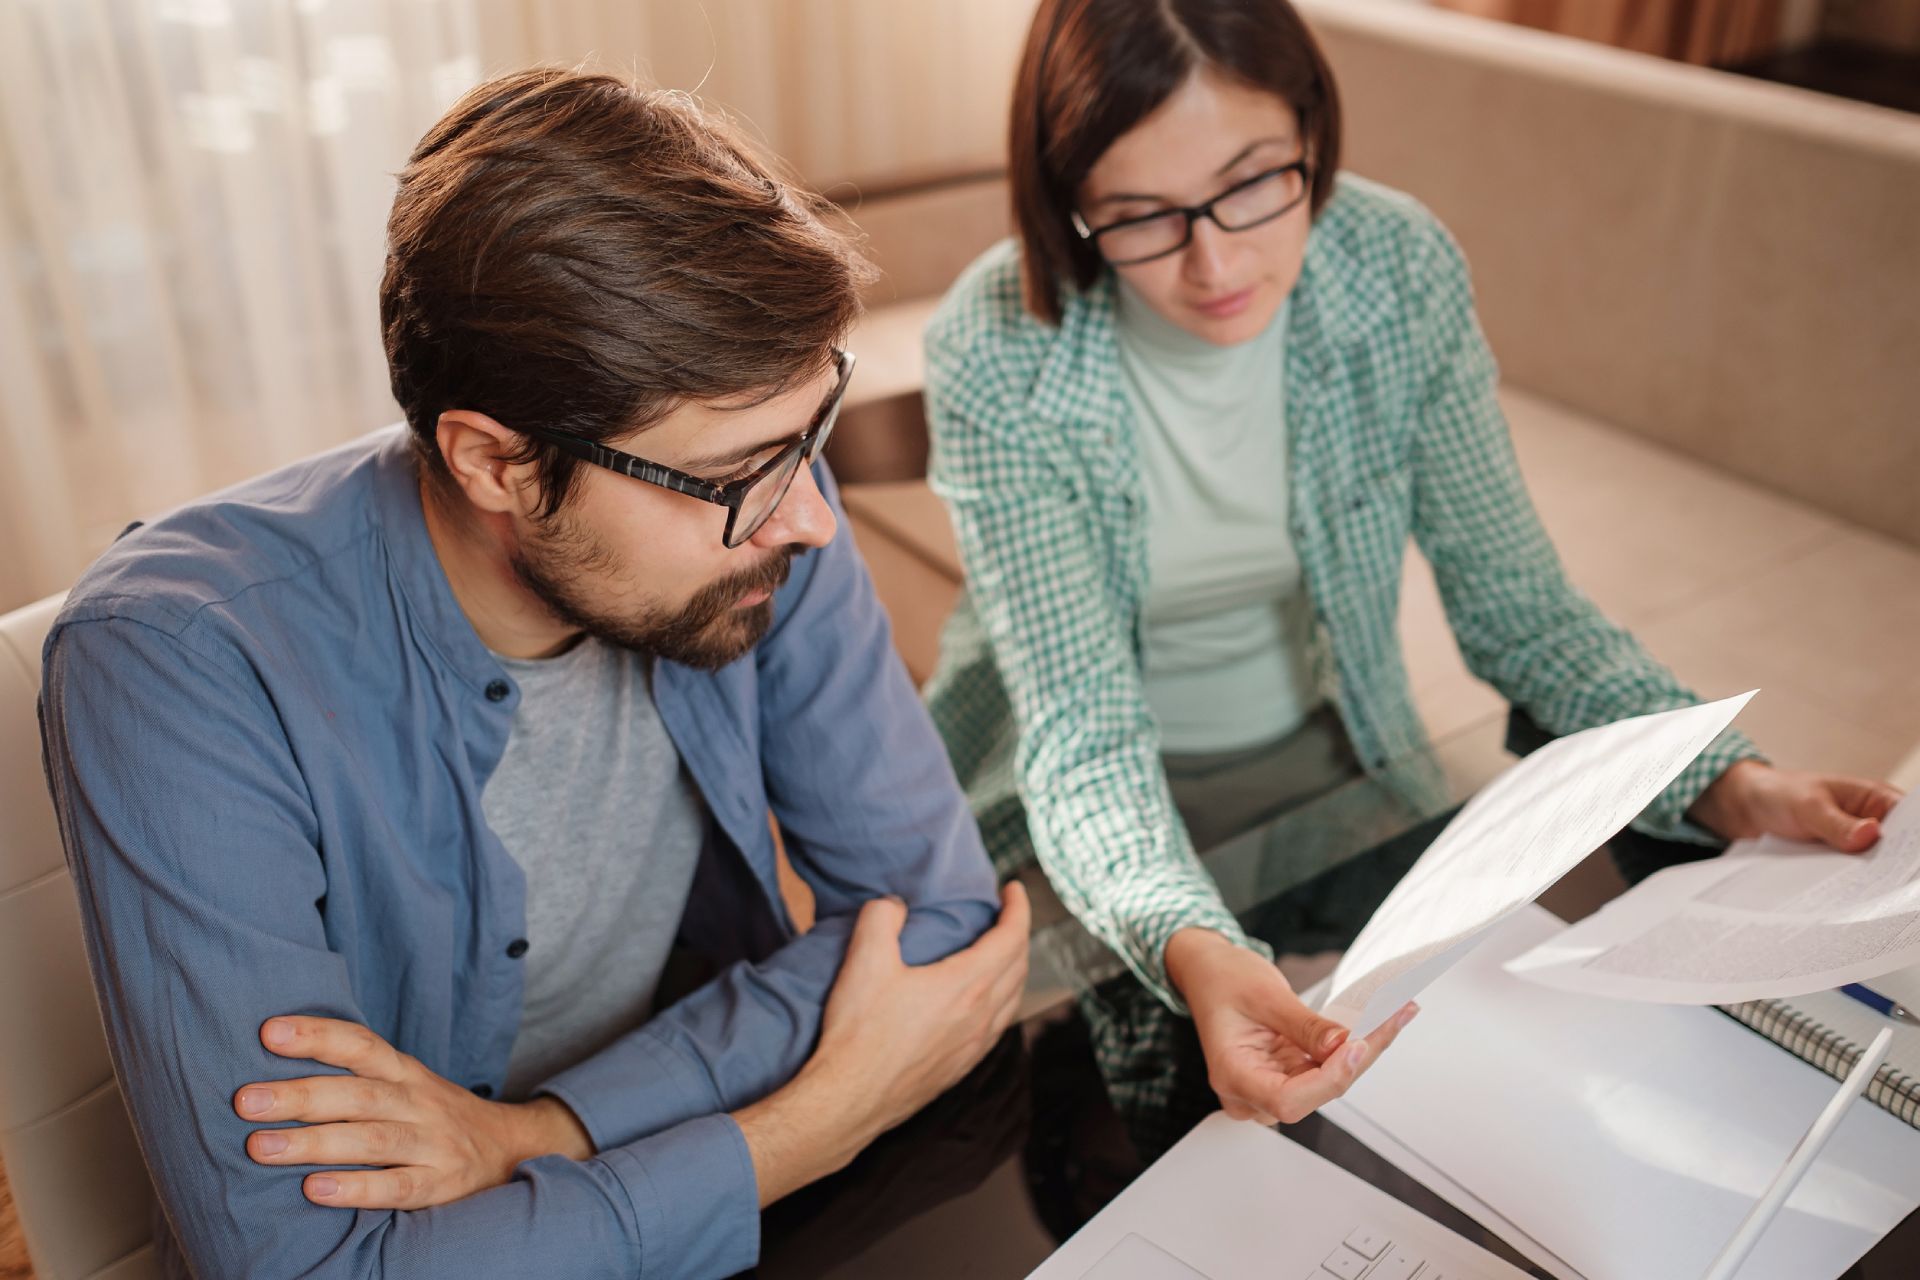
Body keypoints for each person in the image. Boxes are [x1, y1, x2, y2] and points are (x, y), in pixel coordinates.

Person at [40, 68, 1028, 1280]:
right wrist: (803, 1126)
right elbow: (309, 1266)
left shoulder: (759, 507)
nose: (812, 518)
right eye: (740, 473)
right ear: (494, 463)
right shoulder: (177, 661)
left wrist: (537, 1136)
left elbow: (933, 928)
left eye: (807, 437)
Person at [919, 0, 1902, 1135]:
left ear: (1311, 130)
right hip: (1072, 802)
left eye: (1252, 183)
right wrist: (1192, 942)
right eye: (1139, 217)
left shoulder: (1396, 266)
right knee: (1143, 1116)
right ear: (1067, 204)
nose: (1215, 260)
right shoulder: (993, 346)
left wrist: (1721, 776)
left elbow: (1522, 613)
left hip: (1331, 758)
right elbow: (1083, 738)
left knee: (1505, 1081)